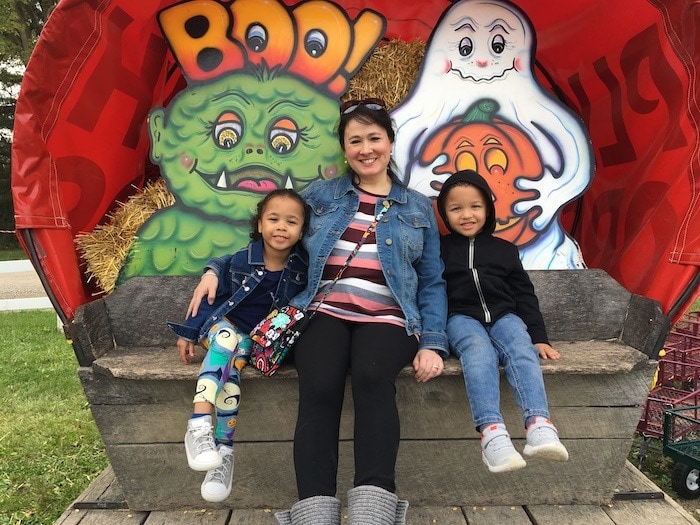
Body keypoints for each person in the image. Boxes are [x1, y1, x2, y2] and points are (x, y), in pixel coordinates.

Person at [275, 98, 448, 525]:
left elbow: (431, 281)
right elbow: (273, 243)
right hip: (324, 312)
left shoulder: (417, 207)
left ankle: (372, 514)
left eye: (374, 138)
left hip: (389, 317)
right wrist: (215, 272)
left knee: (372, 376)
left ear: (390, 142)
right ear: (344, 148)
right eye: (355, 140)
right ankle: (314, 514)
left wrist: (432, 343)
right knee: (318, 388)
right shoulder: (319, 196)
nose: (366, 148)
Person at [168, 189, 309, 502]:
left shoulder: (301, 271)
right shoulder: (239, 261)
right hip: (221, 328)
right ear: (259, 224)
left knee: (232, 374)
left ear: (302, 231)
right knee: (227, 340)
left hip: (251, 341)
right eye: (273, 219)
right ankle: (199, 423)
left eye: (291, 221)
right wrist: (189, 332)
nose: (281, 227)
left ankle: (223, 451)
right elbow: (210, 300)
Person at [436, 169, 569, 474]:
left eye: (475, 206)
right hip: (460, 319)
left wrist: (539, 336)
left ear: (488, 209)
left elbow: (524, 295)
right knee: (478, 352)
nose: (466, 215)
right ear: (444, 213)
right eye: (456, 209)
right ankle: (492, 434)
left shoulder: (505, 251)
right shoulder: (440, 250)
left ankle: (539, 425)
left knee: (521, 349)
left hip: (504, 317)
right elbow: (430, 290)